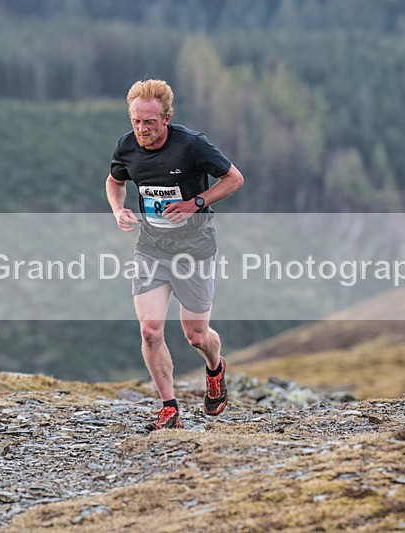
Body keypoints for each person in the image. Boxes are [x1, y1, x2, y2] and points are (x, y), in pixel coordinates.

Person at [105, 79, 244, 430]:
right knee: (150, 331)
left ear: (166, 118)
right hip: (151, 249)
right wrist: (118, 210)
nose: (141, 129)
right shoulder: (127, 147)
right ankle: (169, 407)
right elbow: (115, 181)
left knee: (196, 335)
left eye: (149, 122)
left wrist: (196, 203)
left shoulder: (192, 146)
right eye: (136, 121)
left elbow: (234, 179)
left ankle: (215, 367)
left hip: (195, 250)